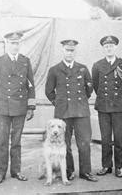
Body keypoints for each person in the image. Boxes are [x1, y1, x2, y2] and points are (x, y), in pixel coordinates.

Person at [0, 32, 36, 184]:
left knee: (16, 141)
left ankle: (16, 171)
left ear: (20, 44)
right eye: (12, 43)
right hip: (2, 109)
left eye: (17, 43)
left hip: (20, 108)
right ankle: (0, 173)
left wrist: (31, 107)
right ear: (7, 44)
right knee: (2, 141)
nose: (15, 46)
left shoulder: (25, 61)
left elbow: (31, 85)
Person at [45, 39, 98, 182]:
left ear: (76, 51)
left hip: (81, 112)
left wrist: (79, 102)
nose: (69, 53)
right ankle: (68, 171)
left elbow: (89, 89)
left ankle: (86, 172)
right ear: (63, 50)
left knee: (84, 142)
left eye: (72, 50)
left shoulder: (83, 68)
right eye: (67, 50)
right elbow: (49, 91)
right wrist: (59, 103)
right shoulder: (54, 70)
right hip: (63, 113)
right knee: (65, 143)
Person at [92, 35, 122, 178]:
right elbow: (96, 85)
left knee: (119, 139)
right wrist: (106, 98)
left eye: (111, 46)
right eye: (106, 46)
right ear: (103, 48)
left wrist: (120, 99)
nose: (109, 48)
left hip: (119, 107)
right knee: (105, 139)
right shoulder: (97, 65)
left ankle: (119, 167)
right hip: (103, 106)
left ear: (116, 47)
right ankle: (106, 166)